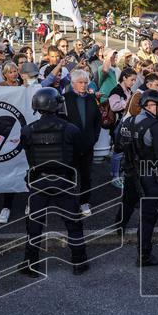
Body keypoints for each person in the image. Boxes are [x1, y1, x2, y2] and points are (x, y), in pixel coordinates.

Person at [18, 88, 89, 276]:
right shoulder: (70, 129)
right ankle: (79, 263)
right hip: (64, 181)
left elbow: (26, 150)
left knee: (34, 225)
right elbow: (81, 151)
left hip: (39, 182)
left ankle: (31, 264)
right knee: (73, 223)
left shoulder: (27, 130)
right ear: (57, 105)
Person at [116, 88, 158, 266]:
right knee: (148, 216)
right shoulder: (155, 126)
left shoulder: (128, 120)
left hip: (131, 171)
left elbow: (117, 146)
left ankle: (119, 227)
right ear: (149, 105)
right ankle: (144, 255)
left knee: (128, 201)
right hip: (149, 174)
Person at [62, 69, 102, 215]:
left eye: (86, 82)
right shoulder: (65, 98)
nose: (84, 85)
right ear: (73, 84)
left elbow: (98, 120)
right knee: (68, 174)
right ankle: (68, 202)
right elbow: (62, 122)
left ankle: (84, 202)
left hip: (88, 144)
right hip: (70, 145)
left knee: (86, 175)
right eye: (80, 82)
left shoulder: (91, 98)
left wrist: (94, 137)